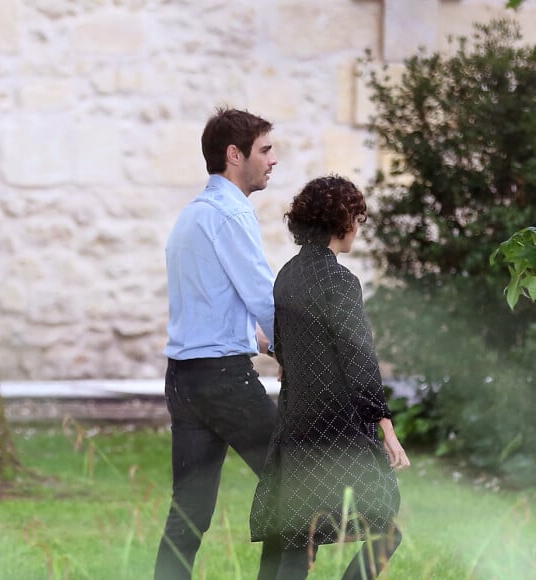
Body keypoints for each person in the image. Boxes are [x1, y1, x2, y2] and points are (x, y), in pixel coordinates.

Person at [250, 174, 410, 580]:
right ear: (343, 222)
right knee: (384, 522)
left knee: (293, 536)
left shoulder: (287, 276)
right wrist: (386, 429)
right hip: (336, 430)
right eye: (357, 217)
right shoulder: (340, 281)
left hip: (296, 427)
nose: (358, 227)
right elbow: (360, 360)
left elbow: (283, 350)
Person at [154, 107, 280, 579]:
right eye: (265, 150)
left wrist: (269, 346)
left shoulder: (192, 217)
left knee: (188, 513)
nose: (273, 160)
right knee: (295, 482)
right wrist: (298, 354)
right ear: (235, 154)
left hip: (185, 380)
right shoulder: (230, 214)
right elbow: (262, 297)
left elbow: (219, 310)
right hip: (224, 380)